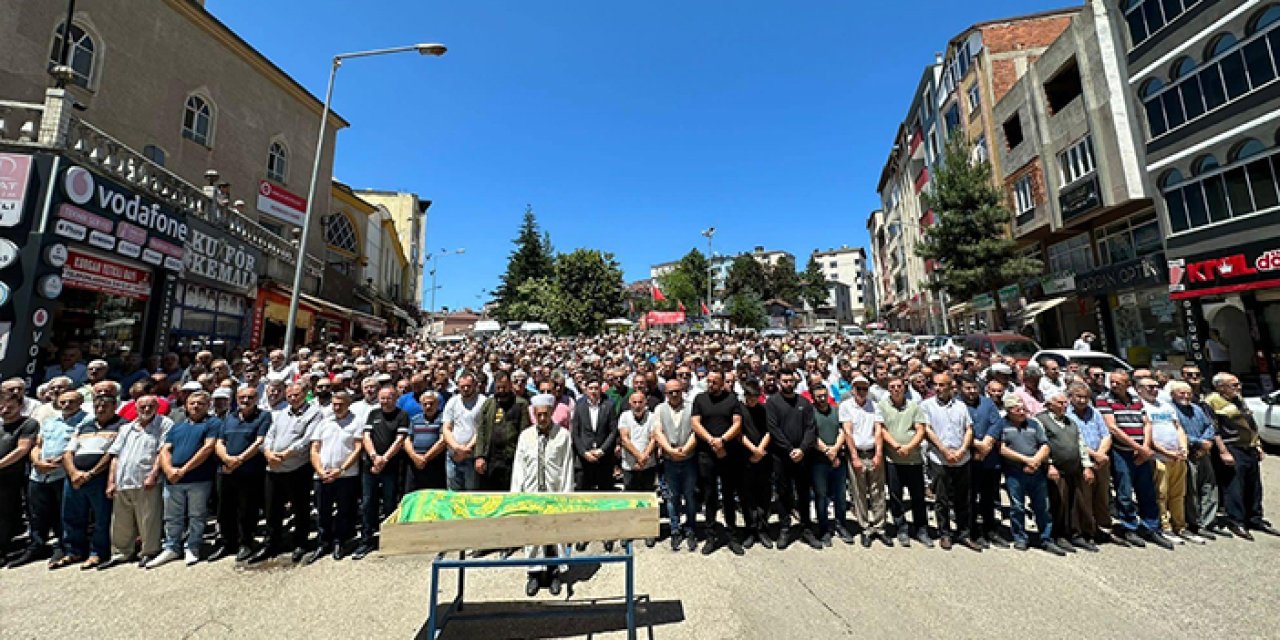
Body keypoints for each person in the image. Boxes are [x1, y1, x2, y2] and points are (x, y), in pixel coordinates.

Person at [1098, 371, 1173, 549]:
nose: (1114, 385)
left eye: (1119, 382)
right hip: (1121, 452)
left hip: (1142, 453)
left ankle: (1151, 527)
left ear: (1128, 384)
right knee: (1124, 491)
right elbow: (1112, 428)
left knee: (1147, 490)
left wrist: (1145, 448)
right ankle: (1129, 526)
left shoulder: (1136, 400)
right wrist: (1138, 448)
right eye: (1112, 382)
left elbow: (1146, 423)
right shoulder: (1104, 399)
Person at [512, 394, 576, 597]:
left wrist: (566, 496)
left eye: (545, 415)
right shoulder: (525, 436)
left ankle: (554, 573)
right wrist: (517, 495)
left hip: (554, 493)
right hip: (531, 494)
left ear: (551, 413)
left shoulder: (563, 436)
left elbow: (567, 468)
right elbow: (519, 467)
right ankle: (533, 574)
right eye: (538, 415)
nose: (542, 419)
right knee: (532, 536)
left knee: (555, 536)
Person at [1203, 372, 1280, 539]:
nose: (1238, 388)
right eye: (1234, 385)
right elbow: (1213, 430)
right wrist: (1223, 451)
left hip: (1249, 447)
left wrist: (1258, 444)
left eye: (1238, 384)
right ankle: (1236, 521)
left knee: (1254, 485)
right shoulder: (1212, 401)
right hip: (1232, 447)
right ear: (1220, 387)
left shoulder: (1238, 399)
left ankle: (1255, 518)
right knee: (1234, 487)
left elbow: (1250, 423)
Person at [12, 391, 84, 568]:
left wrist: (59, 461)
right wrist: (37, 460)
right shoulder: (51, 421)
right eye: (63, 402)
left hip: (61, 473)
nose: (66, 405)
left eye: (71, 402)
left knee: (61, 513)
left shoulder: (85, 421)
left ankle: (63, 546)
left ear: (80, 402)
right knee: (36, 514)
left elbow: (79, 446)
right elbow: (38, 445)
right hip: (38, 475)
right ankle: (37, 545)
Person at [252, 383, 322, 564]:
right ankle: (272, 543)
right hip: (273, 468)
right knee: (272, 509)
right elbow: (270, 435)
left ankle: (301, 543)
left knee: (300, 508)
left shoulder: (314, 413)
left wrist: (285, 455)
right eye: (289, 395)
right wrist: (267, 452)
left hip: (297, 468)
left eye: (297, 395)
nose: (293, 398)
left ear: (305, 394)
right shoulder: (283, 413)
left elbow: (307, 440)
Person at [148, 392, 218, 568]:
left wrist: (184, 469)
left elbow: (208, 447)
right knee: (172, 516)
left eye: (200, 403)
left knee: (197, 515)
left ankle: (193, 546)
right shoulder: (177, 427)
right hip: (173, 480)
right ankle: (172, 547)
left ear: (208, 405)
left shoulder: (212, 423)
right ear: (186, 405)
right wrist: (170, 470)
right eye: (192, 403)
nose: (195, 406)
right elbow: (165, 450)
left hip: (198, 479)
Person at [57, 382, 122, 570]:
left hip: (99, 478)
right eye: (97, 405)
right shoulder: (84, 425)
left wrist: (91, 473)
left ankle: (98, 553)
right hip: (75, 478)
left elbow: (111, 453)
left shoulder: (121, 425)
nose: (100, 408)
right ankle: (74, 551)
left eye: (105, 405)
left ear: (114, 406)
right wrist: (74, 473)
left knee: (101, 518)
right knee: (71, 516)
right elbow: (68, 452)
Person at [101, 395, 171, 570]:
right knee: (120, 521)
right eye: (142, 407)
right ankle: (121, 553)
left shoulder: (164, 424)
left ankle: (149, 552)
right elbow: (115, 456)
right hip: (123, 480)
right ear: (136, 408)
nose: (146, 410)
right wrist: (111, 481)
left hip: (145, 480)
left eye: (150, 406)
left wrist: (153, 474)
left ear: (156, 406)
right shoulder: (126, 428)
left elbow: (162, 451)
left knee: (148, 519)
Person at [998, 395, 1064, 555]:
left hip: (1036, 471)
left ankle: (1046, 538)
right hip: (1015, 472)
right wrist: (1026, 460)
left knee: (1042, 506)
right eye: (1017, 409)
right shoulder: (1002, 425)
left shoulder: (1034, 424)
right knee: (1017, 507)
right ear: (1009, 411)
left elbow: (1045, 446)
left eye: (1023, 408)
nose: (1022, 412)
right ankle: (1020, 537)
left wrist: (1035, 461)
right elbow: (1002, 449)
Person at [212, 386, 271, 563]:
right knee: (224, 510)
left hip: (249, 471)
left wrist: (239, 460)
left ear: (257, 398)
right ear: (236, 399)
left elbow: (259, 441)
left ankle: (246, 542)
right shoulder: (229, 417)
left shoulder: (263, 416)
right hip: (227, 471)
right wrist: (227, 459)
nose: (245, 400)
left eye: (250, 397)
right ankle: (228, 542)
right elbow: (219, 442)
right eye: (242, 397)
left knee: (247, 509)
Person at [919, 372, 977, 551]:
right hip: (940, 458)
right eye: (935, 385)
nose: (938, 388)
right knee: (942, 499)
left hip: (962, 458)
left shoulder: (961, 406)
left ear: (951, 386)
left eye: (942, 385)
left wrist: (961, 450)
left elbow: (968, 429)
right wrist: (944, 451)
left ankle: (964, 533)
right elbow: (927, 430)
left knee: (963, 498)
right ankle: (944, 533)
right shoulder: (927, 405)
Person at [1036, 391, 1098, 553]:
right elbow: (1041, 444)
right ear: (1050, 404)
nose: (1064, 406)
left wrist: (1087, 466)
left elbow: (1081, 444)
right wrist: (1049, 465)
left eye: (1065, 403)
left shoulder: (1071, 422)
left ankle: (1077, 534)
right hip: (1056, 470)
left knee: (1077, 503)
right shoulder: (1041, 420)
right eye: (1060, 403)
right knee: (1059, 503)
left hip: (1075, 469)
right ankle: (1059, 535)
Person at [766, 369, 821, 550]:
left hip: (802, 456)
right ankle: (784, 527)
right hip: (781, 456)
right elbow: (773, 428)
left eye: (791, 381)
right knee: (783, 493)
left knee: (804, 493)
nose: (788, 384)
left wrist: (802, 449)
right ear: (779, 381)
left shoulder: (804, 403)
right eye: (785, 381)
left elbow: (811, 428)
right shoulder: (772, 402)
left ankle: (806, 528)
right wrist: (790, 449)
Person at [307, 391, 362, 564]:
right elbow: (315, 448)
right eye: (334, 404)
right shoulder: (324, 423)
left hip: (346, 475)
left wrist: (341, 469)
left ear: (348, 404)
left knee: (344, 510)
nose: (337, 407)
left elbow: (357, 448)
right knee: (323, 510)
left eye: (340, 404)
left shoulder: (356, 422)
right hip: (322, 474)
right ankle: (323, 543)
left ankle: (340, 541)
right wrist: (321, 470)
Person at [1136, 376, 1192, 544]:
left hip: (1177, 457)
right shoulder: (1140, 407)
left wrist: (1183, 447)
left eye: (1156, 386)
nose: (1154, 390)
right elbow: (1149, 435)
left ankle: (1180, 526)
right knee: (1161, 494)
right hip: (1158, 458)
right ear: (1139, 389)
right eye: (1149, 387)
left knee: (1178, 494)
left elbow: (1178, 427)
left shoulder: (1166, 406)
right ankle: (1165, 527)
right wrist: (1166, 452)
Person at [356, 387, 409, 559]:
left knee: (389, 504)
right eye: (382, 398)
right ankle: (366, 540)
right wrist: (373, 456)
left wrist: (384, 459)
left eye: (388, 398)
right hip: (370, 466)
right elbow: (367, 436)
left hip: (391, 467)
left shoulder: (402, 415)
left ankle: (389, 540)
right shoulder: (373, 414)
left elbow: (399, 440)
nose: (384, 401)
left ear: (395, 398)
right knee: (367, 503)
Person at [1065, 382, 1121, 546]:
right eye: (1079, 397)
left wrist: (1101, 454)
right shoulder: (1067, 415)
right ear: (1071, 397)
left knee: (1102, 496)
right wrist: (1095, 455)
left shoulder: (1095, 413)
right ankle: (1086, 530)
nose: (1083, 400)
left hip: (1101, 461)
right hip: (1082, 461)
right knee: (1084, 497)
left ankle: (1103, 529)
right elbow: (1074, 441)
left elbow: (1106, 435)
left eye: (1086, 397)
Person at [879, 377, 930, 548]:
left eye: (899, 386)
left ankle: (921, 529)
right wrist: (896, 446)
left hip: (913, 459)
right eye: (892, 387)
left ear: (904, 388)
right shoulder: (882, 406)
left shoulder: (914, 406)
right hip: (892, 459)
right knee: (896, 497)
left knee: (918, 497)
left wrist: (908, 446)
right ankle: (901, 528)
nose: (896, 389)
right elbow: (881, 429)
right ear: (888, 389)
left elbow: (921, 429)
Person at [839, 374, 887, 548]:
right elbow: (848, 432)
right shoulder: (846, 406)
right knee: (859, 492)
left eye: (864, 388)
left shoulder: (875, 406)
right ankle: (865, 527)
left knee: (878, 491)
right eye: (858, 388)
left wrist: (879, 454)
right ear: (852, 390)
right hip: (857, 453)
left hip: (873, 451)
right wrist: (854, 457)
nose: (861, 392)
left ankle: (880, 527)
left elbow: (878, 431)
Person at [962, 374, 1007, 548]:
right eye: (968, 388)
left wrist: (986, 444)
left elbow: (997, 424)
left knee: (989, 497)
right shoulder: (958, 404)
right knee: (970, 498)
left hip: (990, 459)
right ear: (961, 388)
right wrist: (976, 445)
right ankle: (973, 531)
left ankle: (991, 530)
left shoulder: (987, 403)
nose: (972, 391)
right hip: (969, 458)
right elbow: (958, 428)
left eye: (974, 387)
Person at [655, 378, 699, 552]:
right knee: (672, 497)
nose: (674, 394)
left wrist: (685, 450)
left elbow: (696, 431)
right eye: (670, 392)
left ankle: (690, 529)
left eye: (677, 391)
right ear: (666, 394)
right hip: (669, 459)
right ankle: (675, 530)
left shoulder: (691, 408)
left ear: (682, 391)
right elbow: (658, 432)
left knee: (689, 496)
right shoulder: (660, 409)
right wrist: (670, 451)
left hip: (689, 458)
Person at [1170, 381, 1218, 541]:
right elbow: (1176, 431)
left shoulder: (1197, 409)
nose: (1185, 396)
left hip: (1203, 453)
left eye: (1188, 393)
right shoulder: (1171, 410)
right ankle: (1195, 522)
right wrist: (1198, 442)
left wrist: (1205, 444)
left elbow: (1209, 427)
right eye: (1181, 393)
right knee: (1191, 489)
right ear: (1173, 394)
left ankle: (1208, 521)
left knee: (1208, 486)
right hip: (1186, 453)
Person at [809, 384, 851, 546]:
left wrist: (835, 449)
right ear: (813, 397)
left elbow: (843, 431)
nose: (822, 398)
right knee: (821, 496)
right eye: (818, 396)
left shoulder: (836, 411)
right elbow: (811, 435)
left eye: (824, 395)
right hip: (819, 461)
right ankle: (824, 529)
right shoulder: (810, 413)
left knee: (840, 495)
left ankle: (841, 525)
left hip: (838, 459)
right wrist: (827, 451)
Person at [475, 372, 530, 491]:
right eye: (498, 387)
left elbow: (525, 433)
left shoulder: (521, 404)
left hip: (511, 459)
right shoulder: (488, 404)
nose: (501, 390)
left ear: (510, 385)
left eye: (504, 387)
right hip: (491, 459)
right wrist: (479, 456)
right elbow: (481, 432)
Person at [0, 392, 38, 560]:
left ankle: (4, 550)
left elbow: (22, 449)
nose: (5, 409)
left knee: (7, 514)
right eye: (1, 406)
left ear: (20, 406)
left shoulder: (28, 424)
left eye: (10, 406)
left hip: (16, 477)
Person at [737, 379, 774, 549]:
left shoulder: (764, 410)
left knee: (764, 495)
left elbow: (769, 431)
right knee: (747, 496)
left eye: (755, 397)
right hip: (745, 458)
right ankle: (750, 529)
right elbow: (739, 433)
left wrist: (760, 450)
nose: (752, 400)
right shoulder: (739, 410)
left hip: (763, 457)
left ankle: (763, 528)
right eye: (749, 397)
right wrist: (753, 450)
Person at [441, 373, 486, 491]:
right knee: (453, 495)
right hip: (453, 457)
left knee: (470, 495)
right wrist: (456, 448)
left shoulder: (483, 402)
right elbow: (446, 428)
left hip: (472, 456)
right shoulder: (452, 402)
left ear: (475, 385)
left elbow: (482, 429)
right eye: (462, 386)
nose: (465, 389)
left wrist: (466, 449)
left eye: (469, 386)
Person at [404, 391, 448, 491]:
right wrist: (414, 456)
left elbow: (443, 440)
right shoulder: (415, 419)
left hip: (435, 463)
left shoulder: (443, 419)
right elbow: (407, 440)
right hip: (414, 463)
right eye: (425, 404)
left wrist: (425, 458)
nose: (428, 406)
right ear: (420, 405)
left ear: (437, 404)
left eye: (431, 403)